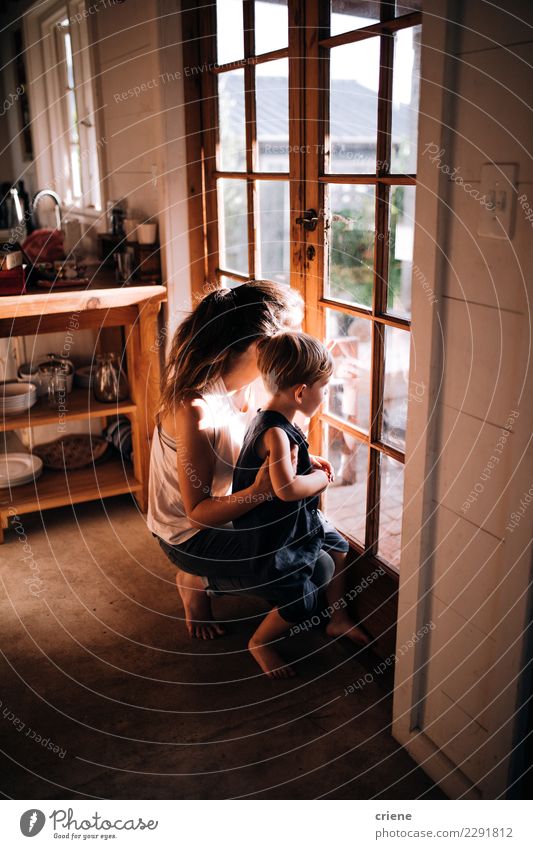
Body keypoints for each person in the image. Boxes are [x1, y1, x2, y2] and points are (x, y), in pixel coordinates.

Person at [148, 280, 331, 639]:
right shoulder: (195, 408)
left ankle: (223, 575)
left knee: (318, 553)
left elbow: (263, 445)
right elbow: (197, 512)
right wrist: (263, 490)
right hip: (190, 534)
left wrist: (298, 460)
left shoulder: (256, 383)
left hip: (233, 509)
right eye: (290, 336)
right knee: (315, 569)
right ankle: (199, 578)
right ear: (263, 346)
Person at [232, 332, 370, 679]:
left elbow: (287, 467)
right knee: (300, 602)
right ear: (300, 392)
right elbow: (286, 489)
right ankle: (260, 642)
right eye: (325, 388)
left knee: (338, 547)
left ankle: (337, 618)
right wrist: (320, 481)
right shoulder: (275, 432)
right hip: (276, 533)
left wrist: (311, 460)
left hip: (296, 520)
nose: (326, 396)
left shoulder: (277, 421)